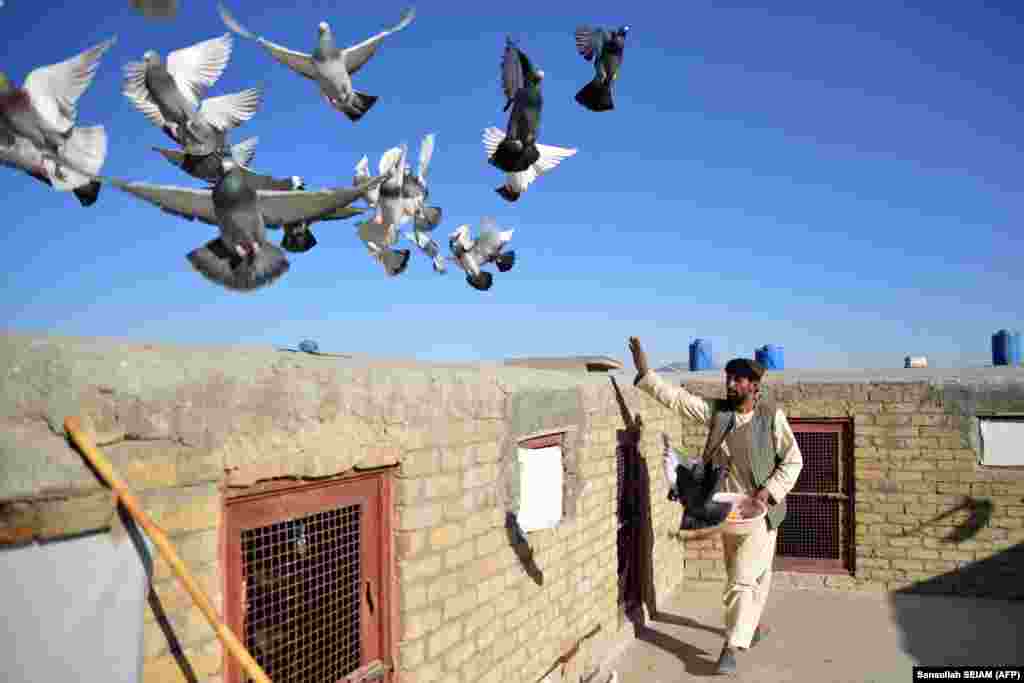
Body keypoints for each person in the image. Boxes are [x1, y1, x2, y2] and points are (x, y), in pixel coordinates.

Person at [627, 336, 804, 675]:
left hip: (762, 513)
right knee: (752, 578)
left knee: (741, 579)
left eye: (738, 380)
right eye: (728, 378)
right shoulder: (719, 414)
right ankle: (750, 627)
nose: (730, 384)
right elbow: (680, 401)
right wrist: (646, 373)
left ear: (754, 386)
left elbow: (793, 461)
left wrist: (769, 491)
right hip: (728, 509)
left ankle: (732, 645)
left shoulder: (771, 418)